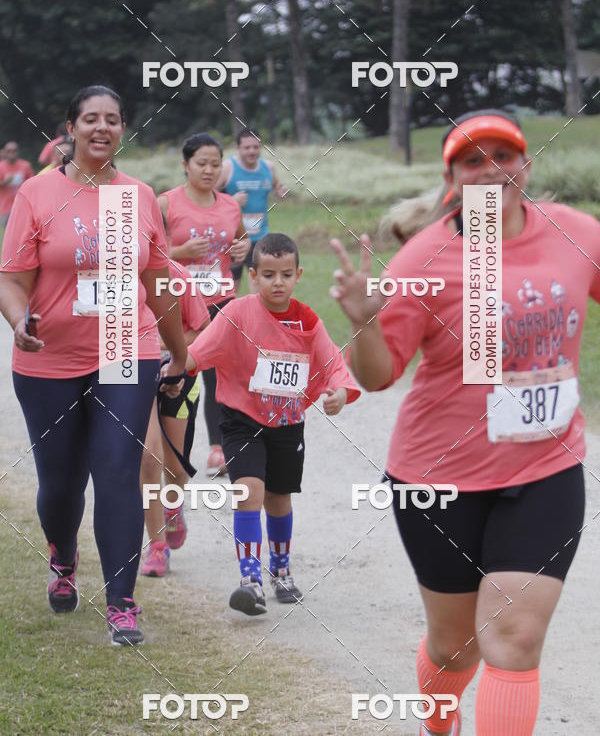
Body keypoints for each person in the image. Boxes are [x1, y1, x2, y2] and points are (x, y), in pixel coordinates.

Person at [330, 109, 596, 736]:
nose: (491, 170)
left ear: (525, 165)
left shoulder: (576, 232)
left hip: (545, 468)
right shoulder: (427, 256)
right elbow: (376, 375)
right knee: (455, 647)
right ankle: (437, 725)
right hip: (440, 478)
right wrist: (364, 321)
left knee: (514, 636)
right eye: (472, 161)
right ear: (452, 177)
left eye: (503, 156)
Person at [0, 85, 188, 646]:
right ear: (70, 128)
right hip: (49, 357)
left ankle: (121, 602)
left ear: (122, 129)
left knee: (116, 475)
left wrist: (179, 350)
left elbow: (157, 284)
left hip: (123, 349)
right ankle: (62, 553)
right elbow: (11, 279)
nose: (101, 128)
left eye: (112, 119)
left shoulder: (136, 197)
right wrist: (17, 322)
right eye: (90, 119)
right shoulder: (37, 193)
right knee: (61, 486)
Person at [184, 233, 360, 615]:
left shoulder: (307, 320)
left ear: (298, 275)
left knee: (279, 500)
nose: (276, 282)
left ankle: (281, 570)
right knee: (248, 493)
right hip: (241, 419)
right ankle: (251, 580)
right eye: (267, 274)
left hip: (287, 423)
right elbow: (199, 353)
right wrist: (168, 370)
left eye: (284, 274)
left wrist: (339, 393)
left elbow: (332, 364)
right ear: (252, 277)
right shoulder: (236, 314)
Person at [159, 133, 251, 477]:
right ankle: (171, 450)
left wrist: (244, 248)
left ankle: (218, 448)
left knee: (219, 373)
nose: (209, 170)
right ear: (185, 165)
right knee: (180, 373)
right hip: (178, 303)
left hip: (221, 299)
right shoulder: (165, 204)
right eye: (202, 163)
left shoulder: (229, 204)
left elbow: (242, 239)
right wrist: (180, 253)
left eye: (215, 164)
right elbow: (143, 250)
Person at [139, 224, 210, 578]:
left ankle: (173, 505)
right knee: (148, 458)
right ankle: (157, 546)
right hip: (133, 372)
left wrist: (168, 351)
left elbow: (202, 327)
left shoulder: (177, 276)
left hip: (178, 374)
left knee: (174, 467)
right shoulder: (118, 278)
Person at [217, 128, 286, 289]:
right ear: (238, 147)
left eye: (256, 147)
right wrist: (232, 201)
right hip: (233, 239)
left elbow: (277, 187)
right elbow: (208, 197)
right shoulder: (228, 168)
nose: (252, 151)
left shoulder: (269, 168)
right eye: (247, 147)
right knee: (230, 291)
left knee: (260, 290)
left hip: (259, 237)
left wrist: (280, 192)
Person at [0, 141, 34, 225]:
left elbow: (33, 184)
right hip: (6, 206)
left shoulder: (25, 165)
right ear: (4, 152)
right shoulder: (1, 166)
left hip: (23, 205)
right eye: (9, 151)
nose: (11, 153)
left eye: (14, 151)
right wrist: (5, 182)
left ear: (18, 152)